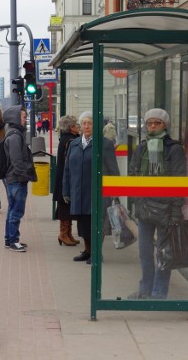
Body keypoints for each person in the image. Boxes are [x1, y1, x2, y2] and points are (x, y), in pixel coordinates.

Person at [128, 108, 187, 300]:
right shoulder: (141, 148)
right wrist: (137, 201)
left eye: (157, 123)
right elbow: (133, 175)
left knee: (164, 253)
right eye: (149, 123)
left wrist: (176, 210)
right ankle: (145, 289)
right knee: (144, 252)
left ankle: (159, 292)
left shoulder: (175, 149)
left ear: (165, 124)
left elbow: (180, 181)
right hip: (145, 208)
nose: (152, 126)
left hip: (166, 209)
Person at [62, 111, 119, 264]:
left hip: (97, 193)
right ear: (80, 126)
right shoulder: (74, 144)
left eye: (90, 123)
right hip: (78, 191)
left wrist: (114, 193)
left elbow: (113, 170)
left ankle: (96, 253)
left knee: (96, 223)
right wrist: (66, 190)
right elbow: (67, 169)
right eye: (84, 123)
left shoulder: (104, 144)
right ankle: (87, 251)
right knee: (83, 224)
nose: (87, 126)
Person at [2, 105, 37, 252]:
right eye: (23, 117)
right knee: (16, 210)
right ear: (15, 118)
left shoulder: (13, 134)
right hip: (16, 179)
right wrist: (24, 176)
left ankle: (9, 238)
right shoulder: (15, 136)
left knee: (12, 209)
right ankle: (13, 241)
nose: (25, 119)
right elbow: (17, 161)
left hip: (13, 178)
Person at [52, 115, 80, 246]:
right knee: (65, 206)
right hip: (66, 178)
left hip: (63, 177)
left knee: (66, 206)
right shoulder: (70, 140)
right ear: (71, 128)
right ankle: (63, 234)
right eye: (76, 125)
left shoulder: (66, 138)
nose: (78, 127)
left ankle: (67, 233)